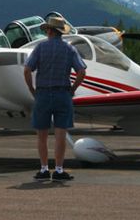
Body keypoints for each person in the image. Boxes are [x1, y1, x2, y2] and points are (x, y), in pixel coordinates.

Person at [24, 16, 86, 181]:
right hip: (62, 94)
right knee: (60, 134)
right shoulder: (69, 49)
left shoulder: (40, 48)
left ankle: (44, 169)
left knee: (42, 136)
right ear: (61, 32)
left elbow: (27, 70)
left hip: (42, 94)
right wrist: (72, 89)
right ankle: (58, 170)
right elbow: (81, 72)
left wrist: (32, 90)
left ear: (50, 31)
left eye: (46, 30)